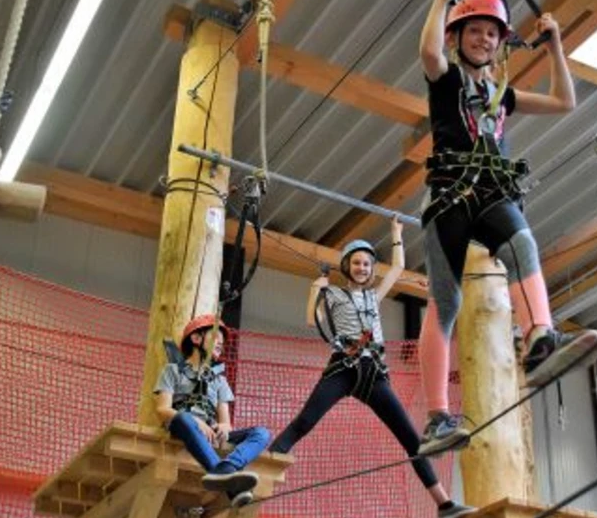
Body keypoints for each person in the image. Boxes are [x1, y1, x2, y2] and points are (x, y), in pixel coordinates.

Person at [416, 0, 597, 456]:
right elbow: (428, 50)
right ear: (460, 38)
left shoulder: (504, 94)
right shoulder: (447, 80)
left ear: (501, 44)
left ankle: (540, 338)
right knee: (447, 301)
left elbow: (565, 101)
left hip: (493, 192)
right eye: (473, 31)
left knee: (522, 242)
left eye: (491, 34)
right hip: (451, 194)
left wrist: (557, 46)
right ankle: (436, 416)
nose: (483, 39)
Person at [269, 218, 476, 518]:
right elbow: (313, 320)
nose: (363, 268)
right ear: (347, 266)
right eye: (357, 263)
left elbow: (396, 268)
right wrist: (318, 287)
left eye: (367, 264)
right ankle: (263, 467)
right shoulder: (335, 295)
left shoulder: (373, 297)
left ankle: (444, 503)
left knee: (411, 440)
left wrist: (395, 234)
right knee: (304, 422)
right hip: (343, 367)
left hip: (375, 374)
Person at [154, 315, 271, 508]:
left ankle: (228, 466)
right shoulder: (173, 370)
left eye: (222, 342)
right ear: (196, 339)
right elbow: (162, 409)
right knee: (184, 418)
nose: (220, 344)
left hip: (210, 430)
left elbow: (225, 421)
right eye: (215, 338)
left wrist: (223, 427)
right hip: (183, 425)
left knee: (262, 433)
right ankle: (225, 476)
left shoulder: (219, 380)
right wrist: (196, 421)